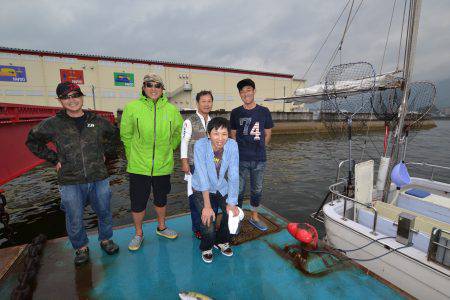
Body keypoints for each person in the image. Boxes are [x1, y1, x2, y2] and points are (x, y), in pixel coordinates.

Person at [26, 82, 119, 266]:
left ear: (82, 97)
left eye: (75, 95)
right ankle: (81, 247)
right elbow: (32, 141)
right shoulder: (53, 124)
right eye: (66, 97)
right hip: (69, 179)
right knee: (74, 216)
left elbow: (115, 135)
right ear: (60, 101)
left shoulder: (98, 121)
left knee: (104, 211)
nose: (72, 100)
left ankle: (106, 239)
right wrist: (53, 159)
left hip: (98, 176)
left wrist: (105, 152)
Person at [120, 73, 183, 251]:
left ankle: (161, 227)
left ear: (162, 89)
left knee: (161, 199)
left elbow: (178, 132)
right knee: (138, 202)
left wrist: (171, 147)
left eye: (157, 85)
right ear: (143, 88)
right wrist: (132, 156)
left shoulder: (171, 110)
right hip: (139, 166)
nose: (153, 88)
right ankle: (138, 233)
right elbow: (126, 135)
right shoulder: (132, 108)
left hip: (163, 165)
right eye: (149, 85)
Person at [191, 117, 240, 263]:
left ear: (229, 135)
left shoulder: (232, 146)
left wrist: (232, 202)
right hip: (201, 187)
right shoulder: (200, 145)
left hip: (220, 185)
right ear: (208, 134)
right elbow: (202, 175)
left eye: (224, 134)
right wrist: (207, 206)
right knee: (209, 221)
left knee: (231, 213)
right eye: (216, 133)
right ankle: (207, 247)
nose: (220, 138)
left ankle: (222, 241)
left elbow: (233, 174)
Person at [230, 78, 274, 231]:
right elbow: (233, 134)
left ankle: (254, 217)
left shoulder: (264, 111)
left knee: (257, 189)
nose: (245, 94)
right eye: (242, 92)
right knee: (239, 190)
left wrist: (260, 148)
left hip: (259, 159)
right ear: (240, 95)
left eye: (248, 90)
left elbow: (268, 133)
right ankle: (238, 218)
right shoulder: (235, 113)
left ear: (254, 91)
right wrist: (237, 152)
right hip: (240, 159)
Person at [180, 90, 218, 239]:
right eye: (204, 101)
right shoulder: (189, 121)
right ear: (197, 103)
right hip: (194, 165)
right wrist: (184, 162)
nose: (207, 104)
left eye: (209, 101)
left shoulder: (214, 121)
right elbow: (184, 142)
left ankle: (210, 223)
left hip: (211, 166)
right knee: (195, 198)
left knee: (211, 195)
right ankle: (197, 227)